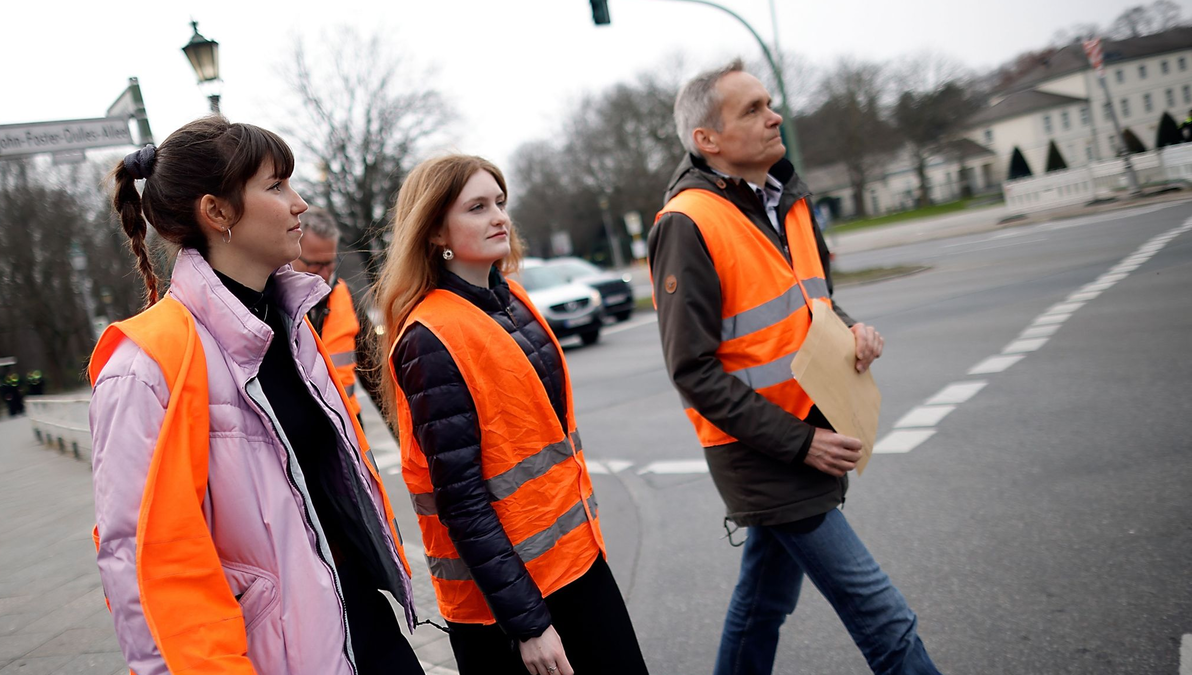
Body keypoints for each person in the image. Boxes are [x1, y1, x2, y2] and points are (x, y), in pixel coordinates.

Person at [89, 117, 423, 675]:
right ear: (216, 212)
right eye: (275, 186)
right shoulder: (143, 368)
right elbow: (147, 572)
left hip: (362, 625)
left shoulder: (290, 325)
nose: (299, 203)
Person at [647, 60, 941, 675]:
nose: (774, 115)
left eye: (769, 103)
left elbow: (813, 304)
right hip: (768, 453)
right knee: (886, 620)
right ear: (708, 140)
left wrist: (853, 329)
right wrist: (801, 443)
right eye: (752, 109)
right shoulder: (688, 222)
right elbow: (692, 369)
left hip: (811, 431)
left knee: (763, 605)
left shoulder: (786, 200)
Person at [377, 155, 649, 675]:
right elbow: (462, 501)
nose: (499, 216)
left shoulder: (511, 298)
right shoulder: (429, 337)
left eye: (500, 202)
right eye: (477, 207)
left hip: (575, 566)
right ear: (435, 230)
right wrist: (528, 624)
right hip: (510, 605)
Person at [291, 206, 364, 423]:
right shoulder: (271, 301)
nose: (324, 274)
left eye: (330, 263)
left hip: (349, 422)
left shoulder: (346, 295)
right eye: (314, 265)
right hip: (303, 431)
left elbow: (375, 377)